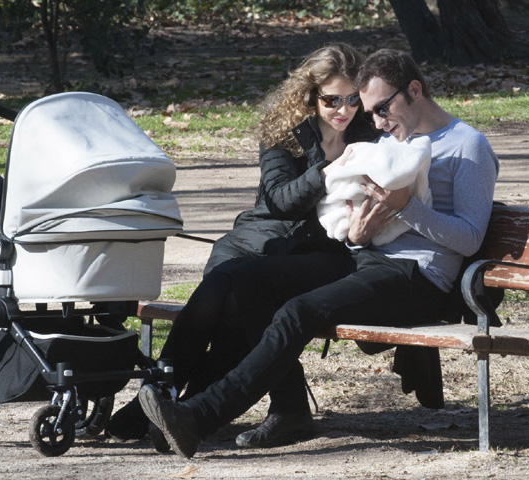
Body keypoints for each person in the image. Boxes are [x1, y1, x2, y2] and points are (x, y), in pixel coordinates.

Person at [137, 48, 500, 459]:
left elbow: (470, 238)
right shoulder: (396, 141)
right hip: (365, 261)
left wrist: (405, 208)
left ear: (414, 90)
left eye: (382, 109)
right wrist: (357, 235)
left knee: (298, 311)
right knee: (245, 279)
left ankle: (198, 417)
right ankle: (288, 410)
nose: (377, 123)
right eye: (372, 112)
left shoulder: (467, 145)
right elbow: (355, 215)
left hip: (417, 277)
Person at [105, 43, 377, 448]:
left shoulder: (367, 135)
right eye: (332, 99)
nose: (344, 109)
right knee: (228, 296)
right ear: (309, 95)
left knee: (235, 295)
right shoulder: (283, 131)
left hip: (316, 252)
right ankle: (174, 403)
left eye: (353, 99)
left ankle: (169, 402)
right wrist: (329, 169)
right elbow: (280, 200)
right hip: (256, 241)